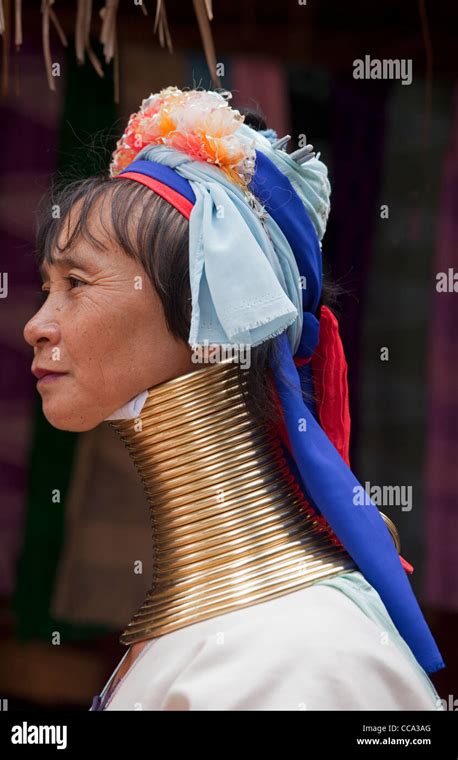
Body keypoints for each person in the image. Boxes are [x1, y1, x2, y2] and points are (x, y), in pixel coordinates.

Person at [23, 86, 445, 711]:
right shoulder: (224, 637)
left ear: (211, 308)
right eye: (45, 287)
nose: (36, 324)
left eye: (75, 282)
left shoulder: (303, 656)